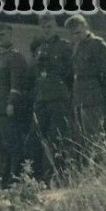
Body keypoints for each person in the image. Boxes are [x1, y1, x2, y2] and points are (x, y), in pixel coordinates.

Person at [65, 14, 106, 160]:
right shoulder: (77, 46)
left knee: (95, 137)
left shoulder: (98, 44)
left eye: (78, 32)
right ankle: (91, 167)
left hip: (93, 98)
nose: (76, 36)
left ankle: (105, 166)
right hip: (79, 99)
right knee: (82, 139)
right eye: (73, 34)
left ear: (85, 26)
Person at [30, 13, 74, 183]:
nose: (46, 30)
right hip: (42, 99)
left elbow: (70, 74)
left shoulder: (64, 46)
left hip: (58, 98)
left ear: (55, 27)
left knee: (57, 138)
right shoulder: (39, 48)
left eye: (49, 27)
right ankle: (42, 178)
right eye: (43, 27)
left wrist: (66, 94)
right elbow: (37, 75)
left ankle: (60, 176)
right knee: (39, 138)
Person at [0, 23, 30, 188]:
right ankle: (3, 178)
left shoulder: (15, 57)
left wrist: (11, 103)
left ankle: (14, 178)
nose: (0, 37)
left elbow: (16, 84)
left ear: (10, 34)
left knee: (12, 143)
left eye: (3, 34)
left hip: (7, 108)